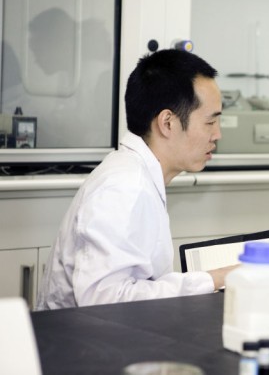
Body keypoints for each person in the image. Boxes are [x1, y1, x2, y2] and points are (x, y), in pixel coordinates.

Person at [36, 49, 235, 310]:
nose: (218, 135)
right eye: (210, 122)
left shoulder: (138, 174)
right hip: (82, 334)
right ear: (167, 123)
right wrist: (213, 279)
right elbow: (104, 301)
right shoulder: (125, 188)